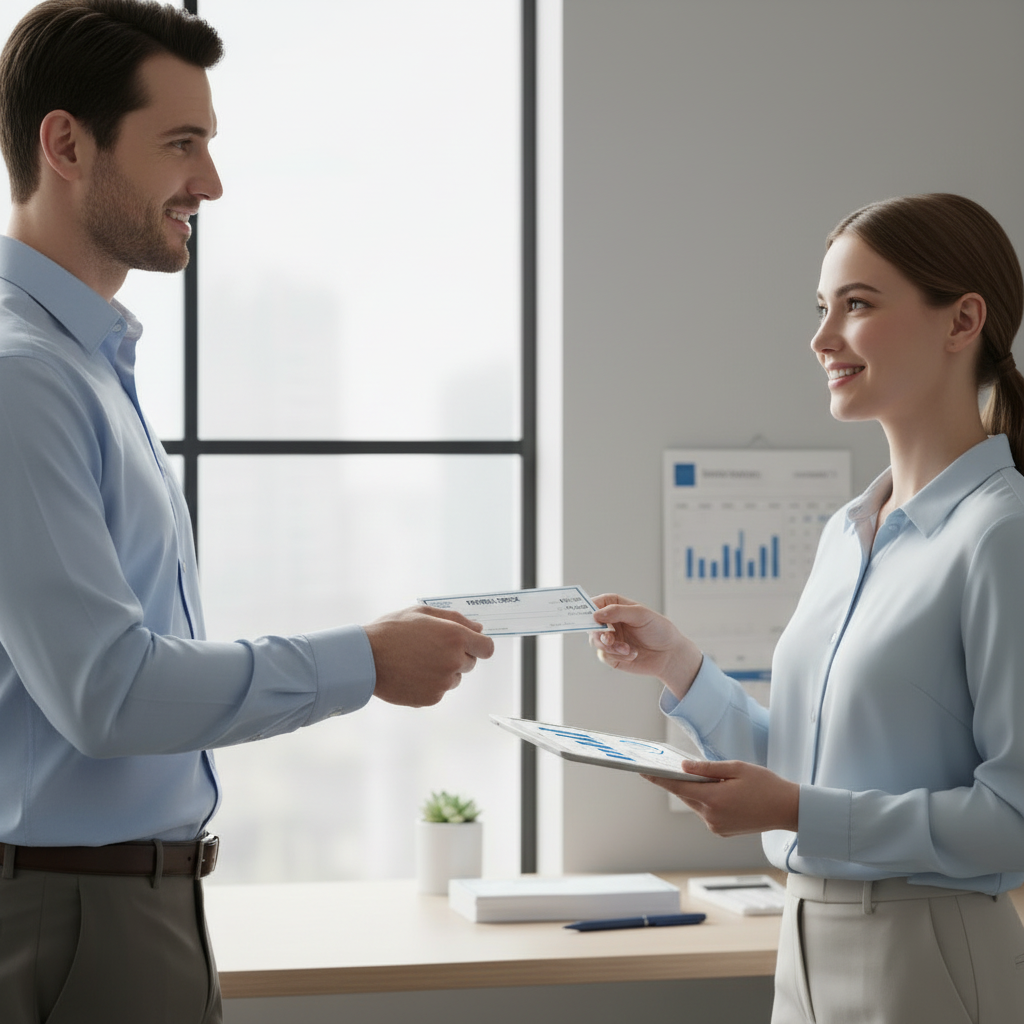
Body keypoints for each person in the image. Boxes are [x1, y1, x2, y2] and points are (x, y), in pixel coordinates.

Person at [0, 2, 494, 1021]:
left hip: (130, 900)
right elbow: (109, 693)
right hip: (73, 913)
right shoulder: (25, 379)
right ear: (65, 144)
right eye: (181, 144)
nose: (210, 183)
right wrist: (366, 658)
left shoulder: (85, 370)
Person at [590, 193, 1024, 1023]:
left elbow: (1013, 818)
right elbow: (806, 769)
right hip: (802, 941)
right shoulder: (846, 532)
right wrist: (680, 666)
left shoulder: (1002, 535)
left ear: (962, 319)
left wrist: (793, 811)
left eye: (856, 306)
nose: (821, 339)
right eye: (822, 308)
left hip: (931, 955)